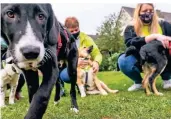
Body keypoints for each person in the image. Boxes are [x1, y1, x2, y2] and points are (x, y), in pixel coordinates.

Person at [118, 3, 171, 91]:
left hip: (162, 56)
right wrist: (153, 36)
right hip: (140, 58)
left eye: (151, 11)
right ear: (138, 12)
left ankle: (167, 79)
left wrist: (167, 39)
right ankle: (138, 82)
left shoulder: (163, 24)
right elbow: (130, 42)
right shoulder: (131, 27)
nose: (148, 13)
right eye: (145, 11)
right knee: (123, 60)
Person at [60, 17, 102, 84]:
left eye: (76, 30)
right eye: (71, 31)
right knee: (66, 76)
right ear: (66, 30)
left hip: (86, 67)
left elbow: (97, 53)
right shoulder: (63, 41)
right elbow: (60, 57)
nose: (75, 32)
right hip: (69, 68)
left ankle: (84, 85)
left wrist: (96, 62)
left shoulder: (86, 39)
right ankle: (61, 87)